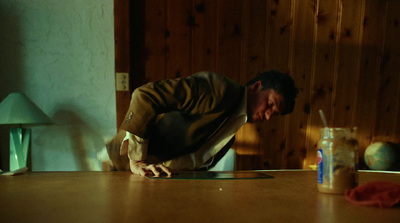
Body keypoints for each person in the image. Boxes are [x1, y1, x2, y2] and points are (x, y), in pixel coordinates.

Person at [105, 70, 298, 177]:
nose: (268, 116)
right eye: (271, 104)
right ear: (257, 86)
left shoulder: (231, 130)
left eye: (275, 114)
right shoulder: (219, 89)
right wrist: (137, 160)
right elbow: (144, 95)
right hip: (120, 166)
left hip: (154, 180)